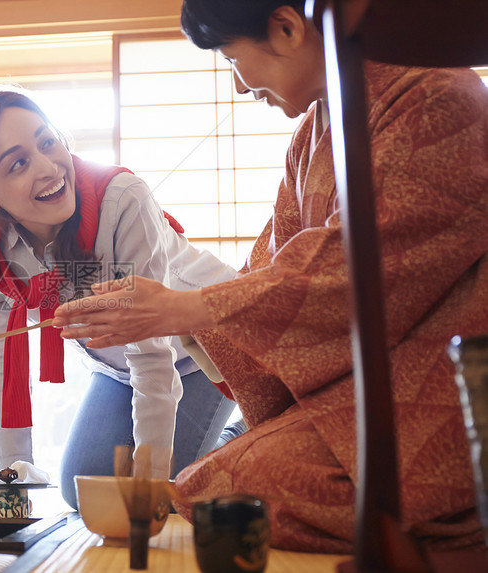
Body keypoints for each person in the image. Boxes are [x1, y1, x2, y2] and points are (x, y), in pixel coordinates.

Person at [52, 0, 488, 553]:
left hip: (443, 382)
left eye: (234, 59)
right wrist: (175, 315)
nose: (239, 86)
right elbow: (272, 267)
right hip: (363, 388)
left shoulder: (433, 95)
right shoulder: (312, 136)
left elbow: (358, 268)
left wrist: (179, 309)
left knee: (237, 483)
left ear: (286, 28)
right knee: (212, 480)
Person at [0, 88, 239, 509]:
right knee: (81, 493)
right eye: (18, 164)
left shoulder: (122, 201)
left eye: (47, 142)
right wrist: (12, 484)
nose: (49, 168)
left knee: (173, 496)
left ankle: (243, 434)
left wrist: (151, 484)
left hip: (199, 348)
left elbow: (151, 352)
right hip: (116, 366)